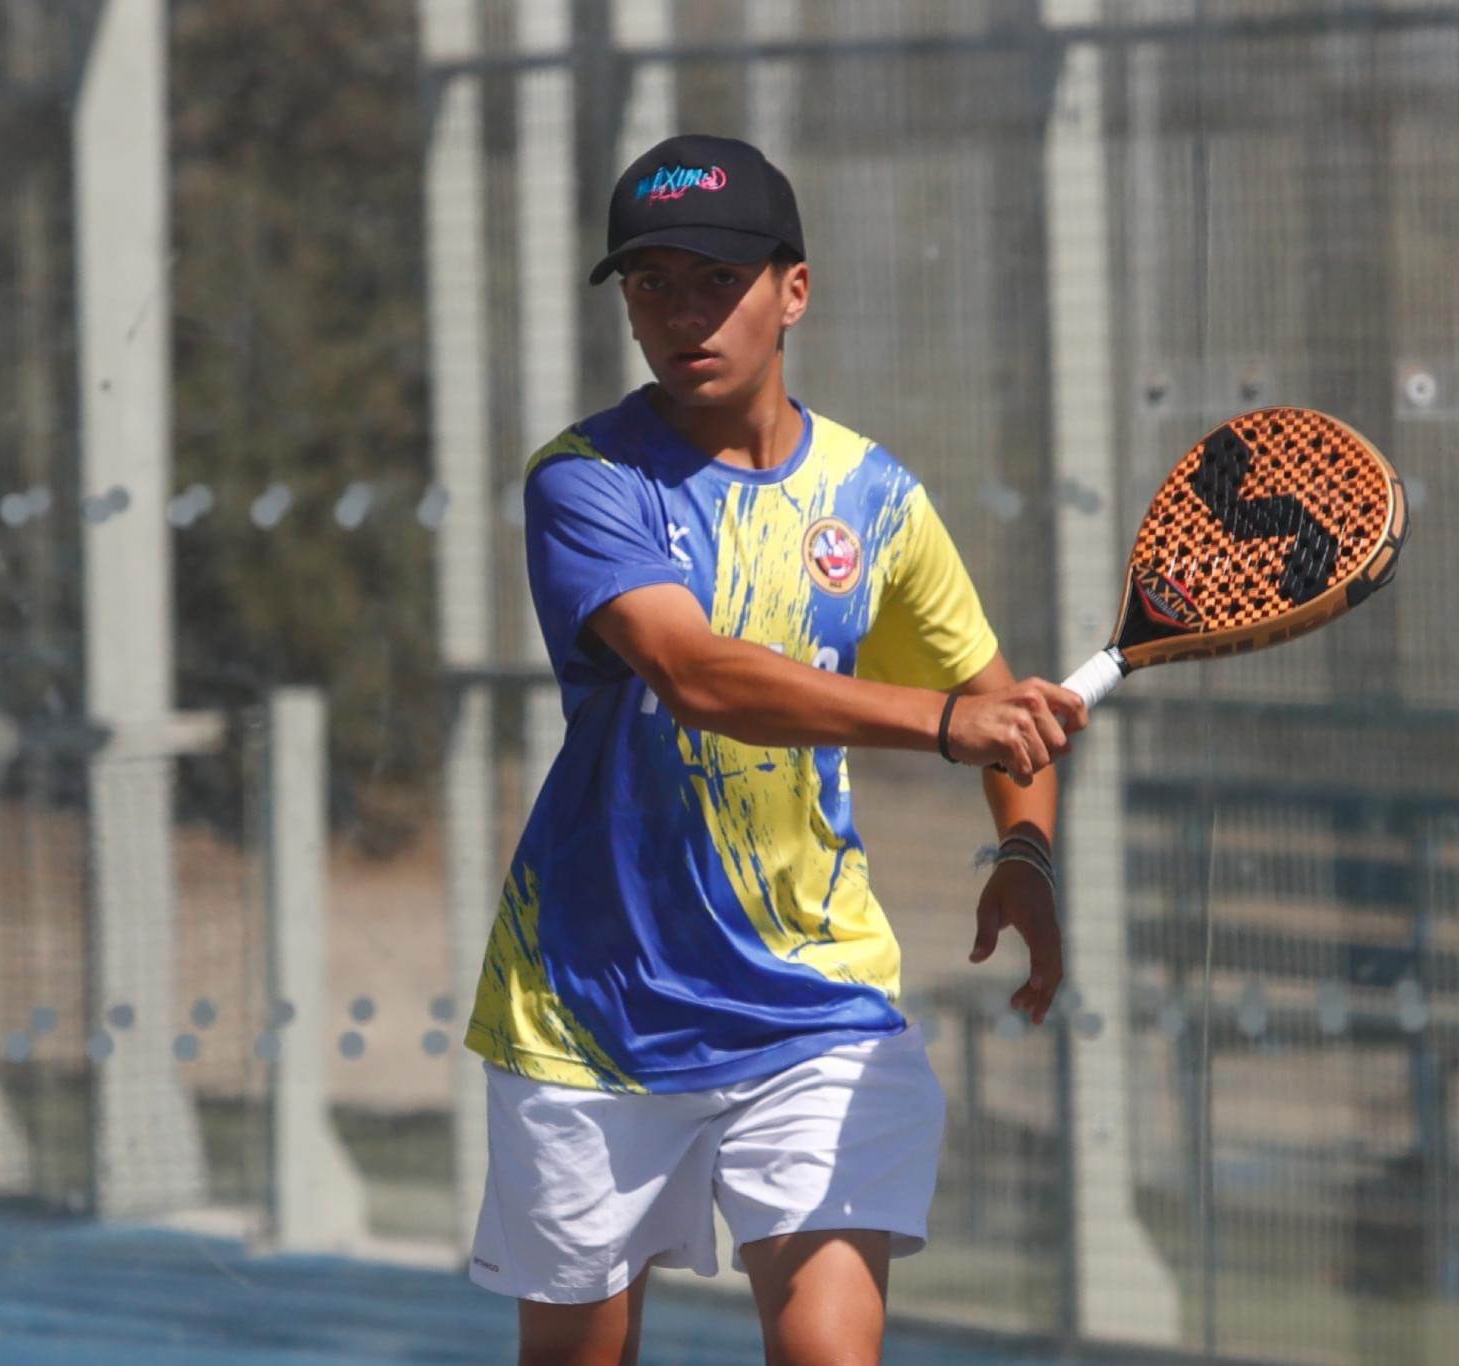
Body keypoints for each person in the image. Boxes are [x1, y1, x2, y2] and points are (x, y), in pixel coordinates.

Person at [462, 133, 1090, 1366]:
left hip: (815, 1008)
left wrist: (1024, 850)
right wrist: (942, 725)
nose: (682, 313)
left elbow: (994, 704)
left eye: (718, 280)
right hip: (589, 1012)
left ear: (791, 290)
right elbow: (693, 674)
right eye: (651, 283)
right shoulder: (584, 481)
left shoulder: (874, 496)